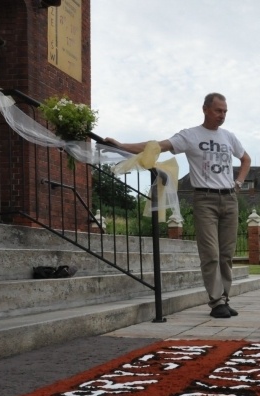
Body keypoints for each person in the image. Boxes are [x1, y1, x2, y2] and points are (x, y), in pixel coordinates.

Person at [106, 93, 251, 319]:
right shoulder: (190, 135)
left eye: (225, 111)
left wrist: (239, 183)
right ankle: (216, 302)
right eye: (218, 111)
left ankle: (224, 298)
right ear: (205, 109)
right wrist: (122, 145)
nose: (222, 115)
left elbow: (246, 159)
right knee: (210, 252)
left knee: (226, 254)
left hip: (230, 199)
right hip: (205, 200)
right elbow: (157, 146)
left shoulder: (229, 137)